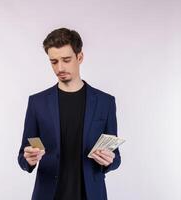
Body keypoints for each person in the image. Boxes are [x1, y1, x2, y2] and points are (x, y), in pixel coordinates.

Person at [17, 27, 121, 200]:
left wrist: (110, 159)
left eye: (66, 59)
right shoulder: (37, 102)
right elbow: (23, 157)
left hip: (91, 195)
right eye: (54, 62)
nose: (60, 67)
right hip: (48, 195)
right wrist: (28, 159)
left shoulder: (105, 102)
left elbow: (115, 157)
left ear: (80, 57)